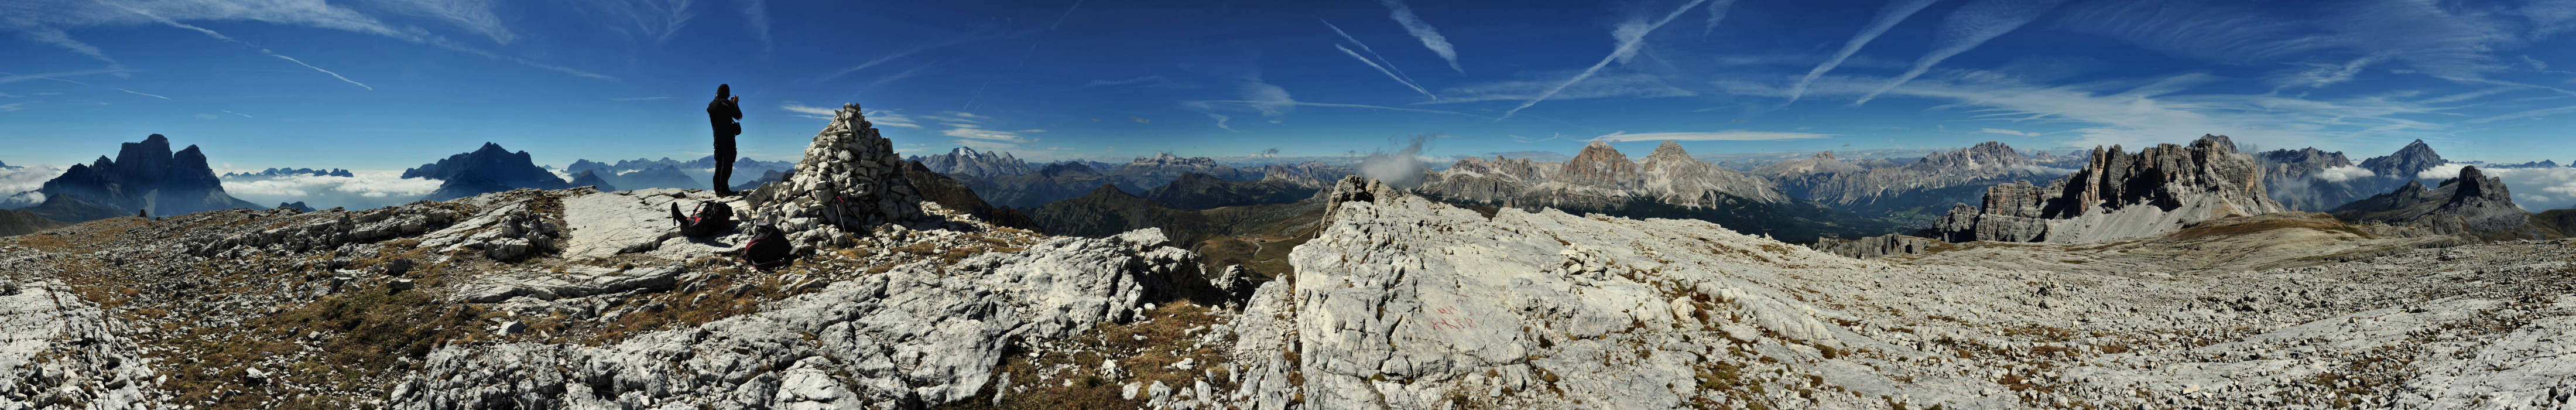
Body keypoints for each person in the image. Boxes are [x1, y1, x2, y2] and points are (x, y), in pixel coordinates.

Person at [708, 84, 744, 196]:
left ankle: (717, 190)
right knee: (727, 163)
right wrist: (735, 103)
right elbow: (739, 116)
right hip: (728, 138)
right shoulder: (727, 104)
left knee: (719, 163)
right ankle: (724, 190)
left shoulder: (711, 105)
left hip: (717, 139)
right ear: (727, 93)